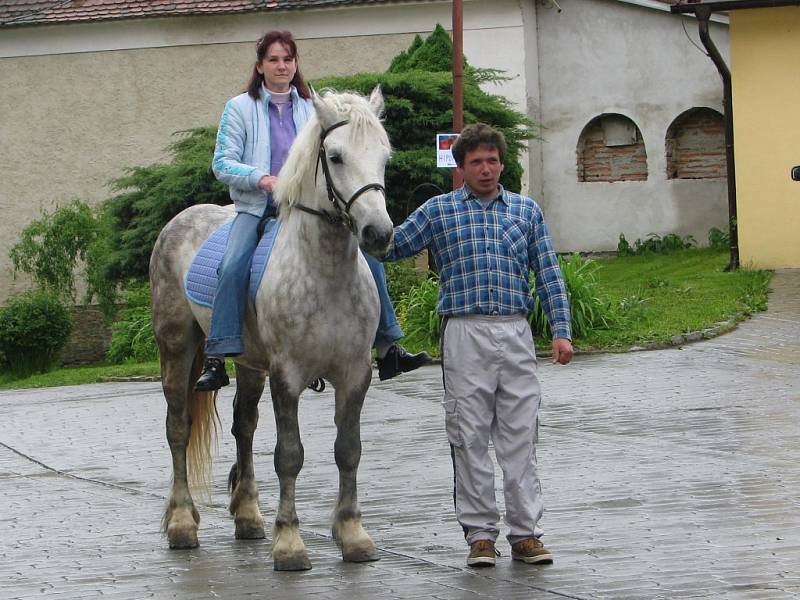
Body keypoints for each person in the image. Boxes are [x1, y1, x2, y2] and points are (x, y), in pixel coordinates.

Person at [383, 123, 574, 567]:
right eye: (476, 162)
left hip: (515, 330)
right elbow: (392, 246)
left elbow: (548, 272)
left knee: (520, 435)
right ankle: (480, 536)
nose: (486, 169)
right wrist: (361, 213)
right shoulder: (439, 211)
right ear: (461, 167)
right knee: (468, 435)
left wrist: (561, 330)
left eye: (492, 160)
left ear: (501, 163)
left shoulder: (526, 212)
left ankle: (526, 534)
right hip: (464, 333)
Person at [195, 30, 430, 391]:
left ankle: (388, 345)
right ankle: (218, 351)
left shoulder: (312, 108)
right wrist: (261, 179)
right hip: (258, 206)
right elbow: (222, 163)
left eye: (288, 59)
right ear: (260, 66)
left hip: (308, 209)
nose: (281, 66)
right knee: (232, 263)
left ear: (295, 64)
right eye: (273, 59)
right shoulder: (239, 107)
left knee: (371, 261)